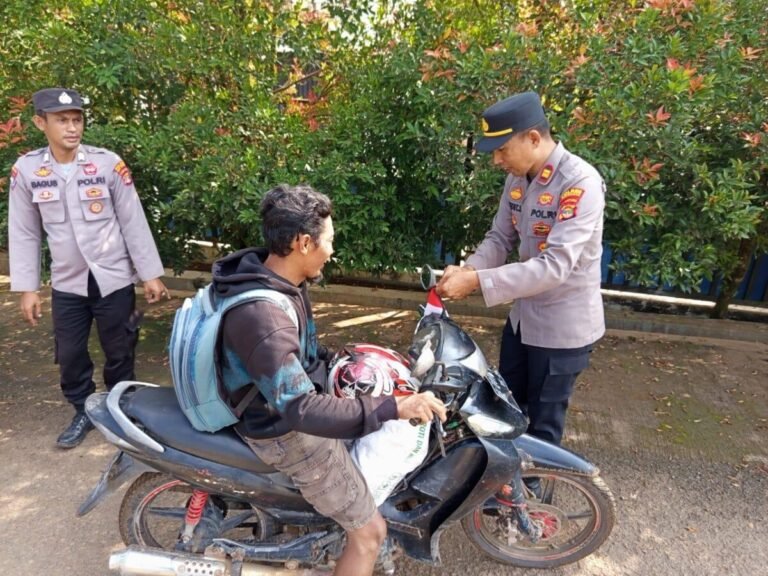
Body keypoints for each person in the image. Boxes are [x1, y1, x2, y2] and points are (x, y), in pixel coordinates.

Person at [215, 184, 446, 576]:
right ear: (304, 243)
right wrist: (394, 406)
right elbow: (301, 408)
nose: (332, 251)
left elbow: (304, 355)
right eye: (329, 241)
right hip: (283, 432)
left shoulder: (279, 281)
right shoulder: (264, 316)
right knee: (370, 532)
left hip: (283, 406)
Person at [437, 91, 605, 448]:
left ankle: (536, 500)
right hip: (522, 322)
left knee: (542, 432)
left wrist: (477, 281)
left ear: (533, 138)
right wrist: (466, 270)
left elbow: (555, 266)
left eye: (502, 150)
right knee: (508, 413)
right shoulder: (519, 178)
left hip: (562, 331)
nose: (497, 160)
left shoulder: (580, 184)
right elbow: (500, 236)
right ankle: (508, 497)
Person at [8, 88, 168, 449]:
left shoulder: (107, 163)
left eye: (77, 119)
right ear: (40, 122)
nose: (72, 127)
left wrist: (149, 273)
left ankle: (122, 407)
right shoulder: (28, 170)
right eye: (62, 120)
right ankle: (83, 409)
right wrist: (29, 288)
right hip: (68, 283)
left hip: (112, 278)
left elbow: (133, 221)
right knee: (69, 353)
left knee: (120, 347)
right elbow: (24, 231)